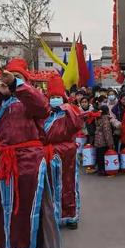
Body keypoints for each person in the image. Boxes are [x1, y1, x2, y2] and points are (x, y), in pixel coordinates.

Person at [0, 58, 61, 248]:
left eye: (13, 78)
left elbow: (43, 108)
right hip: (0, 165)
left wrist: (17, 85)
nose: (6, 83)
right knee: (2, 217)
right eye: (5, 79)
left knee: (32, 218)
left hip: (29, 164)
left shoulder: (29, 98)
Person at [43, 75, 84, 229]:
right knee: (51, 185)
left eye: (57, 97)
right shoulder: (44, 114)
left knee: (69, 184)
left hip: (67, 152)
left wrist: (67, 108)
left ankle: (71, 216)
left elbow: (78, 124)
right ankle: (54, 216)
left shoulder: (70, 111)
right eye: (52, 97)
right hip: (49, 152)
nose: (55, 100)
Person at [94, 105, 114, 175]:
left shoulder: (97, 118)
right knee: (103, 157)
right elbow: (107, 132)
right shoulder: (105, 120)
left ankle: (100, 170)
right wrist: (110, 143)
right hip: (104, 141)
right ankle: (104, 170)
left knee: (99, 156)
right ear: (107, 111)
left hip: (97, 141)